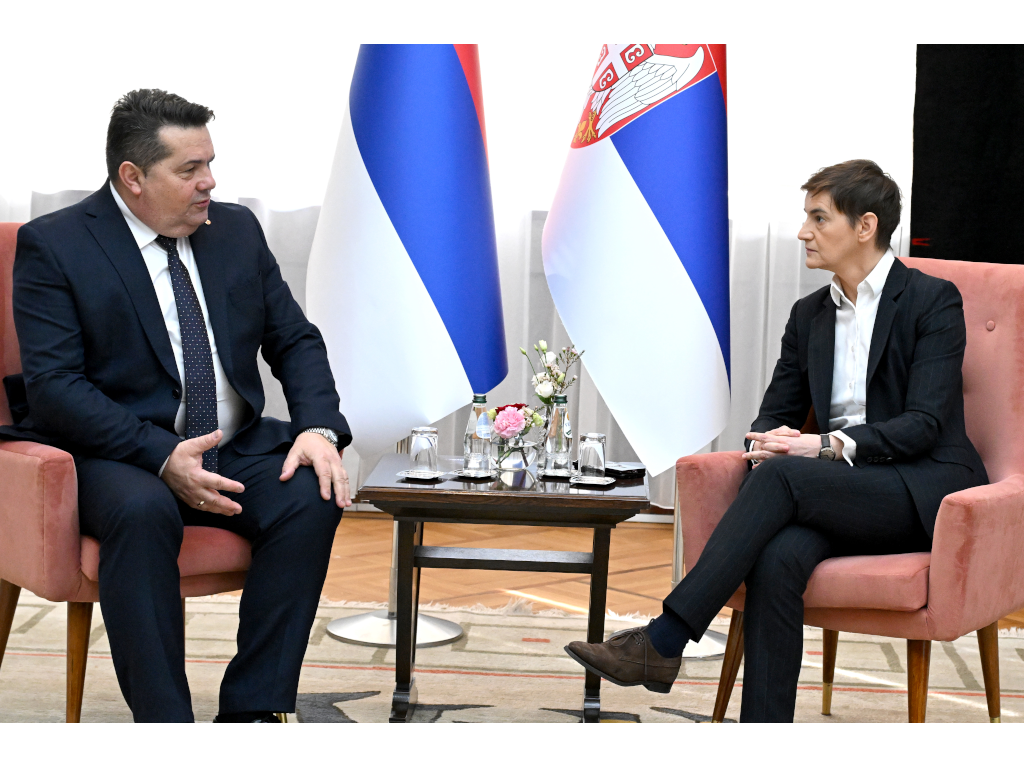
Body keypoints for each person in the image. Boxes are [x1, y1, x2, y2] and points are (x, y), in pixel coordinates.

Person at [564, 159, 988, 722]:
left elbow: (924, 424)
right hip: (839, 492)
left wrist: (822, 445)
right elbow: (774, 414)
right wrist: (767, 442)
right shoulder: (809, 315)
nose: (803, 232)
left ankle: (665, 638)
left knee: (786, 476)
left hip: (922, 488)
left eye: (819, 218)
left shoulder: (932, 300)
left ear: (865, 226)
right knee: (778, 558)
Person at [1, 89, 352, 722]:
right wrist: (164, 457)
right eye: (189, 169)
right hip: (115, 451)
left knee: (311, 493)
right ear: (132, 177)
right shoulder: (56, 245)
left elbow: (294, 339)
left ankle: (252, 709)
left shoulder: (235, 229)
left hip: (230, 445)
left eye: (210, 163)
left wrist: (318, 429)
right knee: (142, 511)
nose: (209, 182)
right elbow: (55, 387)